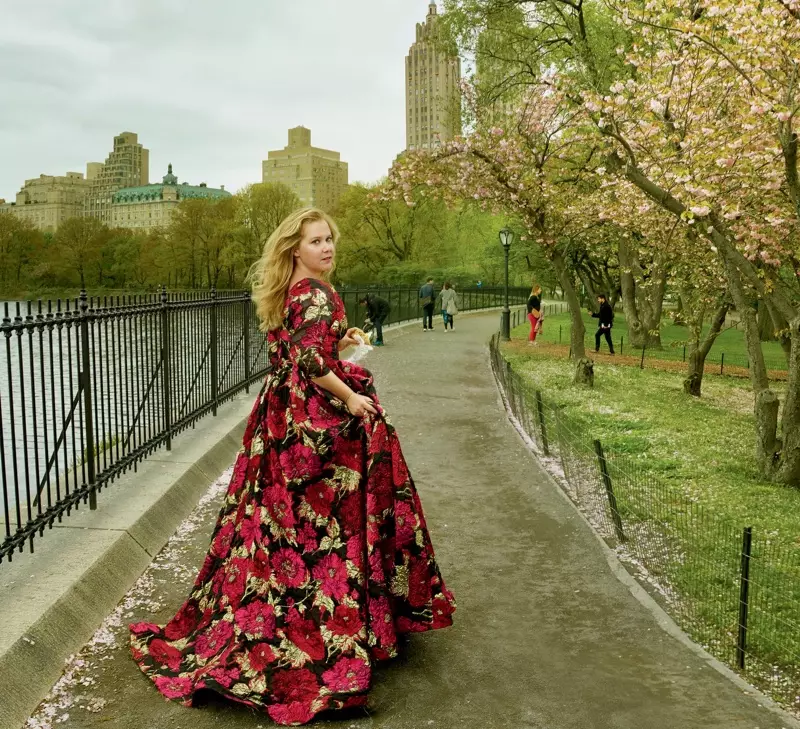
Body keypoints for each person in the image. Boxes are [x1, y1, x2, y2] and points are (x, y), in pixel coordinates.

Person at [130, 208, 455, 726]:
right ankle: (324, 629)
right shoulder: (317, 294)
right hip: (311, 423)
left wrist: (337, 344)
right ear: (295, 248)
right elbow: (308, 362)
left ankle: (280, 609)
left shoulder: (291, 291)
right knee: (330, 526)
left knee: (278, 522)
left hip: (280, 419)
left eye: (330, 239)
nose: (327, 248)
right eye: (316, 241)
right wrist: (350, 397)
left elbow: (298, 350)